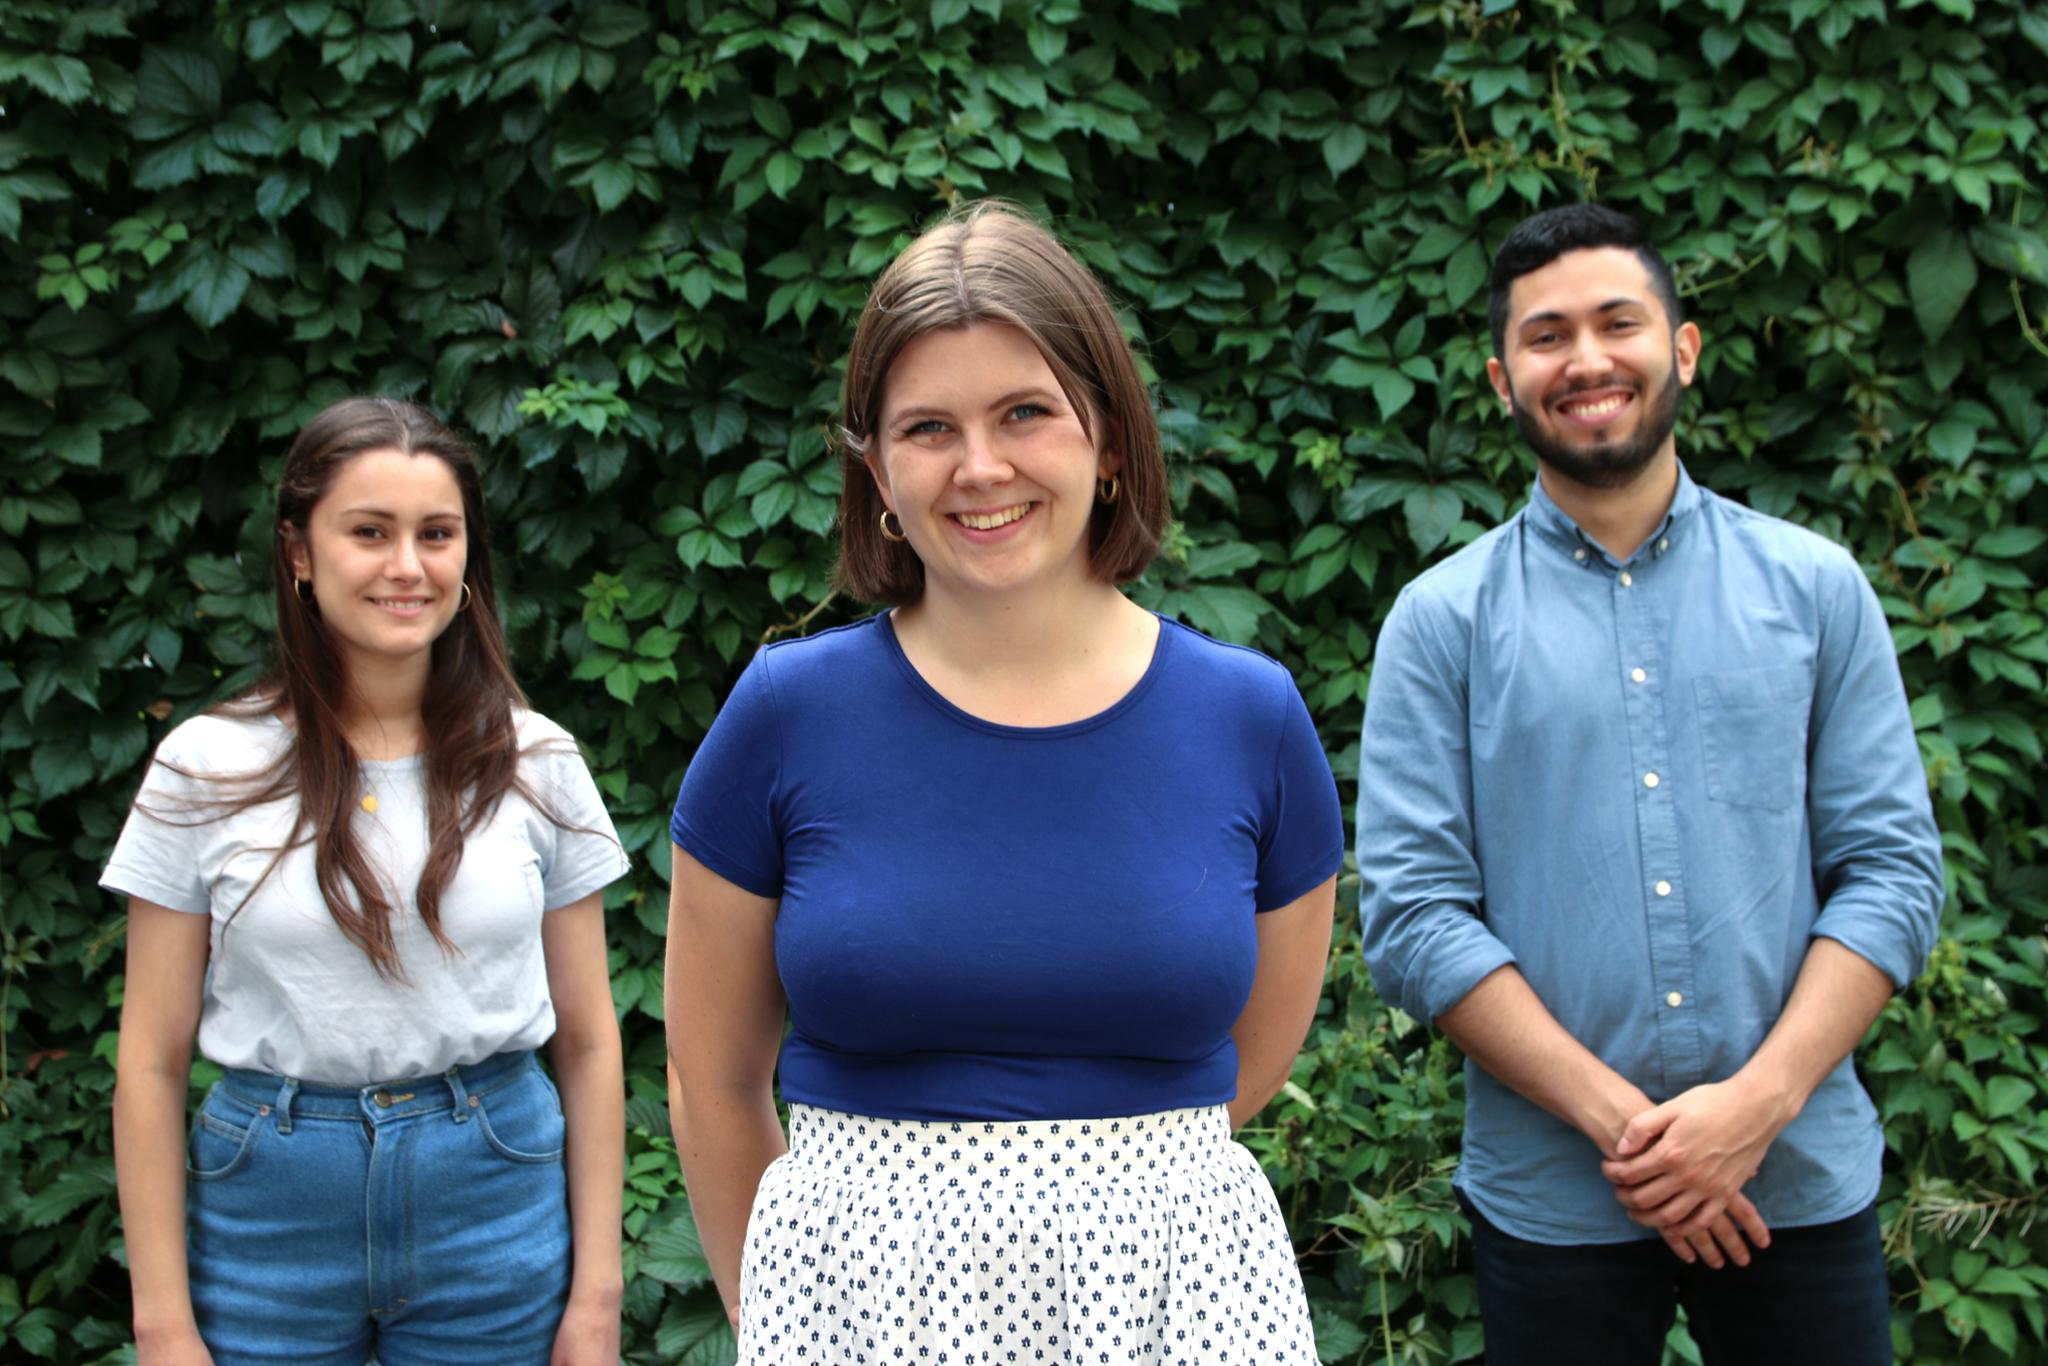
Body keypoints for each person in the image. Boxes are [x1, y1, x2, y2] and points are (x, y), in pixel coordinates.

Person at [664, 201, 1345, 1362]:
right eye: (927, 427)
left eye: (1025, 412)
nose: (980, 467)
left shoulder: (1248, 718)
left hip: (1170, 1304)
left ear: (1109, 438)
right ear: (876, 468)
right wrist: (782, 1313)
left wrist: (1086, 1208)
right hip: (863, 1312)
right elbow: (713, 1079)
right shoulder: (786, 715)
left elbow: (1251, 1056)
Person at [1356, 203, 1944, 1364]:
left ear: (1680, 347)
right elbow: (1414, 917)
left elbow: (1889, 874)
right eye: (1545, 335)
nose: (1584, 359)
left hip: (1795, 1175)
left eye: (1615, 323)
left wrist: (1754, 1106)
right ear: (1501, 379)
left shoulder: (1815, 589)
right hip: (1553, 1197)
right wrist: (1641, 1133)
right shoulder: (1440, 622)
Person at [105, 397, 630, 1366]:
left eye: (436, 534)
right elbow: (148, 1061)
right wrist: (162, 1324)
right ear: (298, 552)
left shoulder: (537, 763)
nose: (408, 567)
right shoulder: (205, 766)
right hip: (266, 1219)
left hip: (493, 1205)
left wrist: (598, 1299)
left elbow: (593, 1045)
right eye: (369, 532)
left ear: (468, 553)